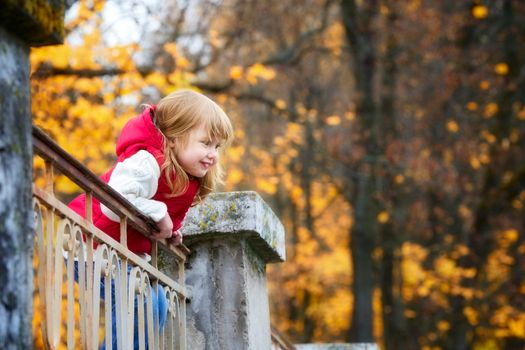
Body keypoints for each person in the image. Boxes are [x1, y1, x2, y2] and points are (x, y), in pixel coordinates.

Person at [68, 89, 234, 349]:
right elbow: (114, 202)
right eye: (205, 143)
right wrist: (160, 215)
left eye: (217, 146)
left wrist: (170, 231)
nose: (213, 154)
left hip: (116, 253)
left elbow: (158, 211)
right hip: (87, 243)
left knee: (156, 301)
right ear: (173, 138)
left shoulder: (185, 176)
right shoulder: (146, 160)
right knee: (142, 303)